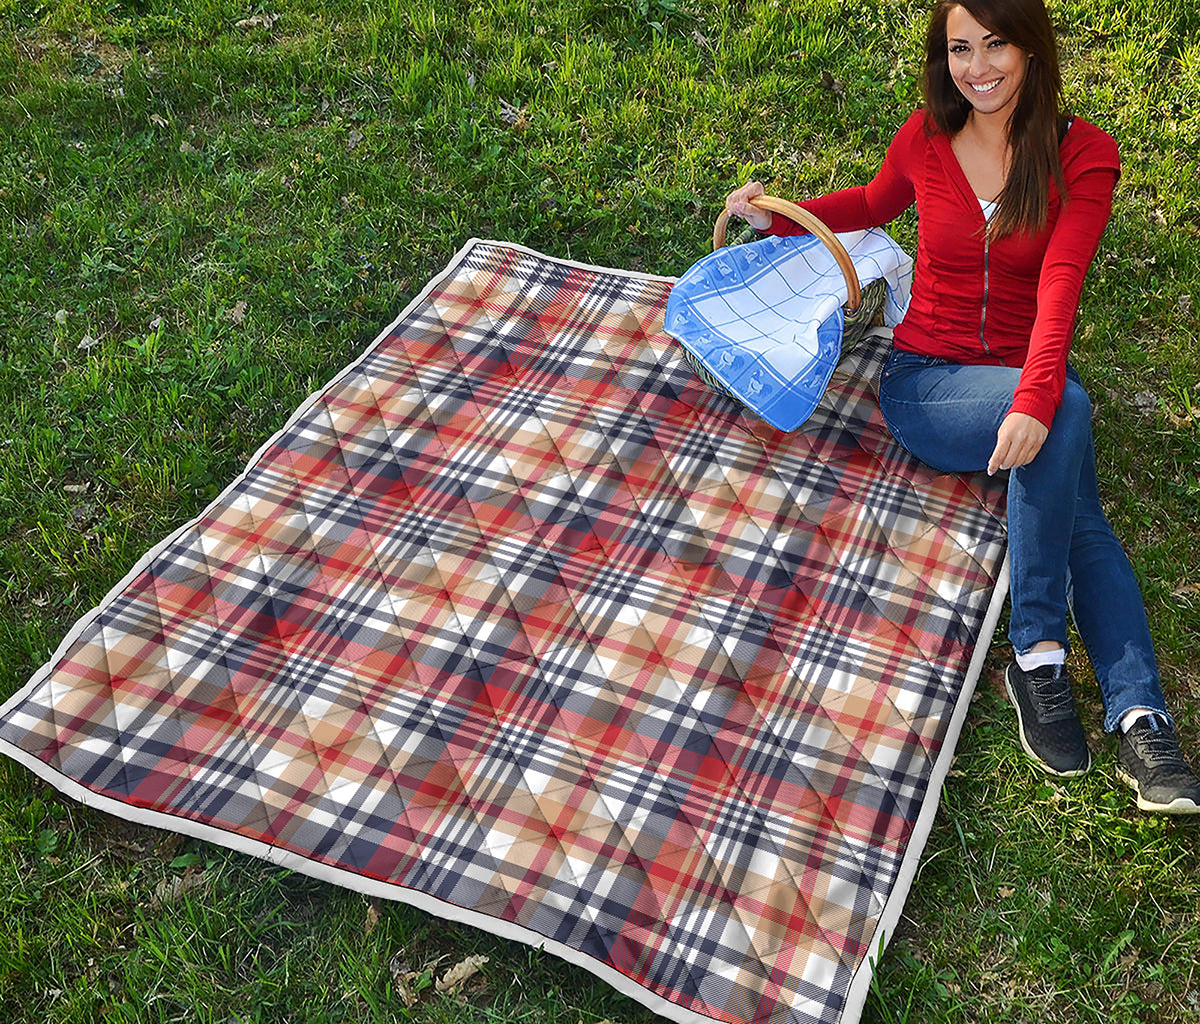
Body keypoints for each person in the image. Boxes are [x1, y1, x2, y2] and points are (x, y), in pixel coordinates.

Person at [724, 0, 1200, 814]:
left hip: (1019, 377)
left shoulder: (1083, 156)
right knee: (1070, 421)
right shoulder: (926, 137)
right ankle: (1046, 655)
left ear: (1031, 48)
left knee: (1074, 478)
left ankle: (1133, 713)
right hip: (927, 384)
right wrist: (780, 221)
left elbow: (1061, 284)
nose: (977, 67)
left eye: (996, 44)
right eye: (959, 49)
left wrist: (1037, 397)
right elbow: (872, 205)